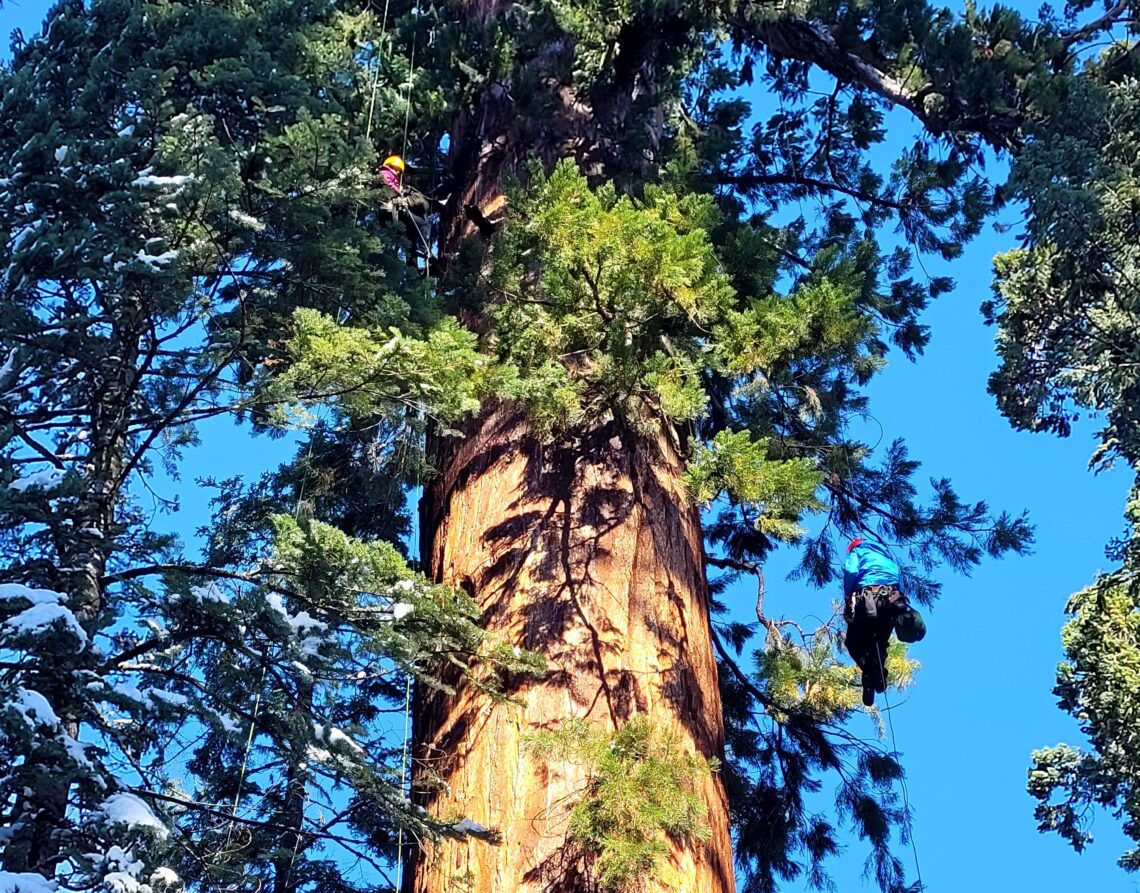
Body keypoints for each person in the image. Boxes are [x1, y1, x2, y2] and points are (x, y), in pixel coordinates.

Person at [842, 537, 926, 707]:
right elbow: (900, 587)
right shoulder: (889, 559)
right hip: (891, 603)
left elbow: (850, 570)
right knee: (879, 644)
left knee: (853, 643)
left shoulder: (858, 551)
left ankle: (869, 672)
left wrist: (848, 595)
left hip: (866, 599)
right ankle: (878, 675)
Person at [378, 154, 438, 267]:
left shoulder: (387, 175)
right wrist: (400, 193)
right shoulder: (384, 174)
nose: (397, 173)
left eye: (398, 171)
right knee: (423, 225)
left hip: (393, 212)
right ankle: (424, 249)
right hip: (395, 210)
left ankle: (413, 268)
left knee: (410, 237)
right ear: (389, 166)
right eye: (395, 169)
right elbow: (389, 187)